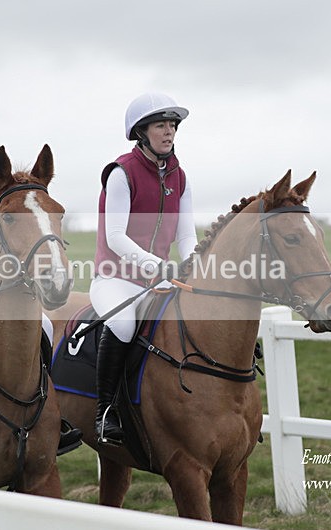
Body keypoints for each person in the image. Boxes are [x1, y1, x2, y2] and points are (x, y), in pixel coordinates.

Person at [90, 92, 198, 446]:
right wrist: (157, 266)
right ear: (142, 132)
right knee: (122, 325)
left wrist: (196, 263)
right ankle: (106, 412)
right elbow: (115, 236)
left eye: (172, 125)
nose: (168, 132)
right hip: (115, 279)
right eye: (160, 125)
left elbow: (186, 233)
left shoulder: (180, 176)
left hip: (158, 281)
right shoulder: (121, 173)